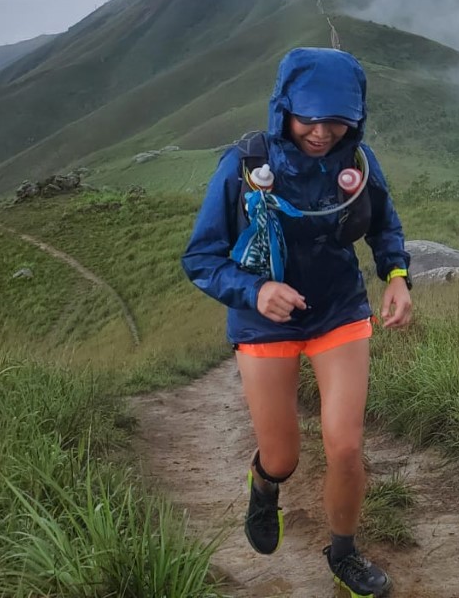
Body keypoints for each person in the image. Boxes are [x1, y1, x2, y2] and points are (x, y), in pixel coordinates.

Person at [182, 47, 412, 598]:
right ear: (284, 107)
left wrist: (397, 275)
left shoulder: (357, 159)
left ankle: (344, 552)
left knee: (346, 446)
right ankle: (265, 487)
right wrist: (255, 290)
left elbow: (384, 224)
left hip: (338, 311)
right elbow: (201, 259)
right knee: (283, 457)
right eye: (310, 118)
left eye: (338, 120)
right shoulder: (242, 167)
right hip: (264, 324)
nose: (322, 132)